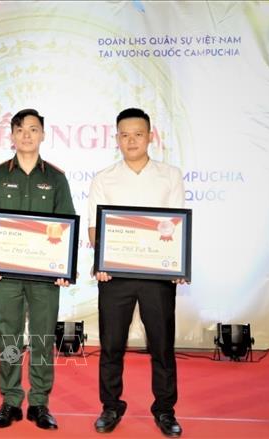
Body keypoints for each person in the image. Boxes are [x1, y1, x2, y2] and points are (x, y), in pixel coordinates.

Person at [88, 108, 185, 438]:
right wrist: (102, 260)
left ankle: (165, 409)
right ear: (116, 139)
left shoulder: (170, 176)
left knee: (162, 346)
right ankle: (111, 405)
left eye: (138, 134)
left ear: (150, 136)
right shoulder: (104, 178)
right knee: (112, 346)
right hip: (115, 277)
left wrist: (176, 263)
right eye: (124, 135)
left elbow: (177, 228)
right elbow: (93, 231)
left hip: (158, 277)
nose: (131, 140)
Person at [0, 108, 75, 430]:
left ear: (43, 135)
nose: (26, 135)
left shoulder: (56, 178)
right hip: (5, 274)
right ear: (11, 136)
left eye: (33, 130)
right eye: (20, 129)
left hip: (45, 276)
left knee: (42, 337)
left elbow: (65, 228)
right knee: (8, 337)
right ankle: (9, 400)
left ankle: (39, 403)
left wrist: (64, 266)